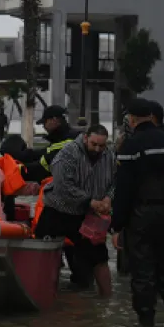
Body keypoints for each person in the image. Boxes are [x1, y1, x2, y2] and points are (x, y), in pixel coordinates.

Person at [111, 99, 164, 327]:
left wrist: (117, 226)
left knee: (142, 271)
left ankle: (146, 325)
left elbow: (123, 190)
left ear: (132, 119)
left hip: (141, 214)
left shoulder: (131, 146)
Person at [33, 124, 116, 296]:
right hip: (58, 210)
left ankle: (106, 299)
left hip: (88, 215)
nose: (98, 149)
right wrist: (90, 201)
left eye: (102, 145)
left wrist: (108, 198)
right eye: (94, 144)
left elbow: (115, 181)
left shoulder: (109, 156)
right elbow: (63, 186)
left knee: (99, 257)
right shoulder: (68, 153)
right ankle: (41, 293)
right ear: (85, 138)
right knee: (44, 253)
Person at [22, 105, 80, 183]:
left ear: (54, 120)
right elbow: (42, 153)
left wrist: (17, 169)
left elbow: (42, 166)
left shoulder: (67, 141)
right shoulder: (63, 138)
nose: (44, 127)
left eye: (44, 122)